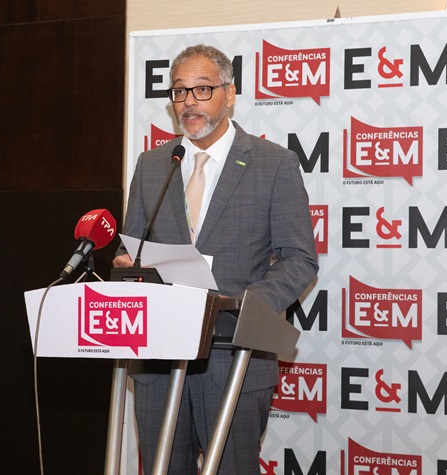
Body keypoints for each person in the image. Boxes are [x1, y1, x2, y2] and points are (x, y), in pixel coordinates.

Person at [113, 44, 318, 474]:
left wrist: (241, 306)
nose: (188, 102)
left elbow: (299, 259)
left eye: (202, 89)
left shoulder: (274, 164)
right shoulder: (153, 164)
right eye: (179, 91)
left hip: (233, 357)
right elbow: (130, 248)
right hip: (156, 359)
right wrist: (129, 265)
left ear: (230, 93)